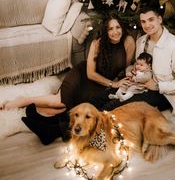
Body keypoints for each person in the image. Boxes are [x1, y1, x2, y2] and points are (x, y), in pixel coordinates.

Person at [2, 15, 136, 144]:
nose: (115, 32)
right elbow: (90, 73)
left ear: (122, 27)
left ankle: (39, 118)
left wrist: (125, 79)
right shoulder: (98, 43)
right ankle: (23, 100)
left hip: (101, 85)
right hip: (84, 76)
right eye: (110, 29)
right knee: (59, 102)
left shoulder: (129, 42)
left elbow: (124, 67)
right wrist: (113, 83)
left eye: (117, 27)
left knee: (65, 109)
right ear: (105, 31)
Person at [100, 2, 175, 117]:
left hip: (162, 94)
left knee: (113, 106)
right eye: (143, 21)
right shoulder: (141, 41)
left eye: (151, 20)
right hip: (139, 84)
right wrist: (132, 72)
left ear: (160, 19)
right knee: (102, 97)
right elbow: (139, 65)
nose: (147, 25)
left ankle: (96, 131)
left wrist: (158, 86)